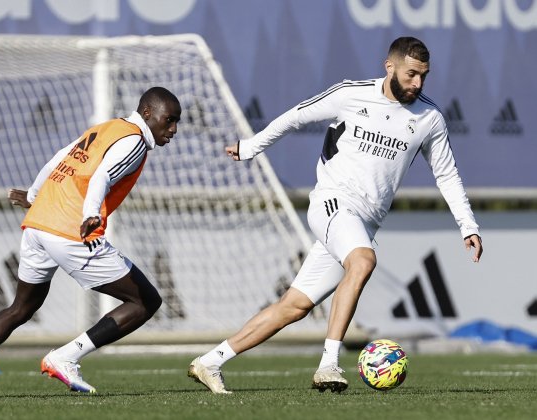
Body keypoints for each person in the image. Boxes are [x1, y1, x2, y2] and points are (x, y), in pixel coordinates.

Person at [188, 37, 483, 394]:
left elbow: (446, 174)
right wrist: (251, 147)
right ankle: (329, 363)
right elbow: (295, 116)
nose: (417, 84)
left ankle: (210, 362)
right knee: (363, 261)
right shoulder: (351, 93)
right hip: (331, 202)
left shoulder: (429, 118)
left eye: (423, 76)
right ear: (389, 67)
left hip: (363, 221)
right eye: (411, 75)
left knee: (293, 306)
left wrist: (468, 225)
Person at [0, 86, 182, 394]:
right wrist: (91, 214)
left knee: (20, 308)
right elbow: (101, 176)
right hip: (71, 230)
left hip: (38, 225)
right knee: (145, 301)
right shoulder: (135, 141)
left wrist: (34, 196)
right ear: (147, 114)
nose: (173, 129)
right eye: (169, 120)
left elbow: (58, 159)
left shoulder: (107, 128)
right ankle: (65, 357)